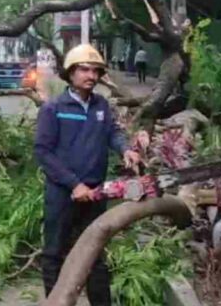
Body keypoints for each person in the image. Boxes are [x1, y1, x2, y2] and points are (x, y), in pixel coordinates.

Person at [34, 44, 141, 304]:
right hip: (62, 194)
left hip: (95, 193)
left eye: (95, 71)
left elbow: (113, 132)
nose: (90, 75)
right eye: (84, 69)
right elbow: (43, 152)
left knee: (96, 254)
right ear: (70, 73)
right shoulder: (54, 108)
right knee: (54, 254)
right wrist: (74, 185)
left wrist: (126, 149)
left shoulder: (101, 105)